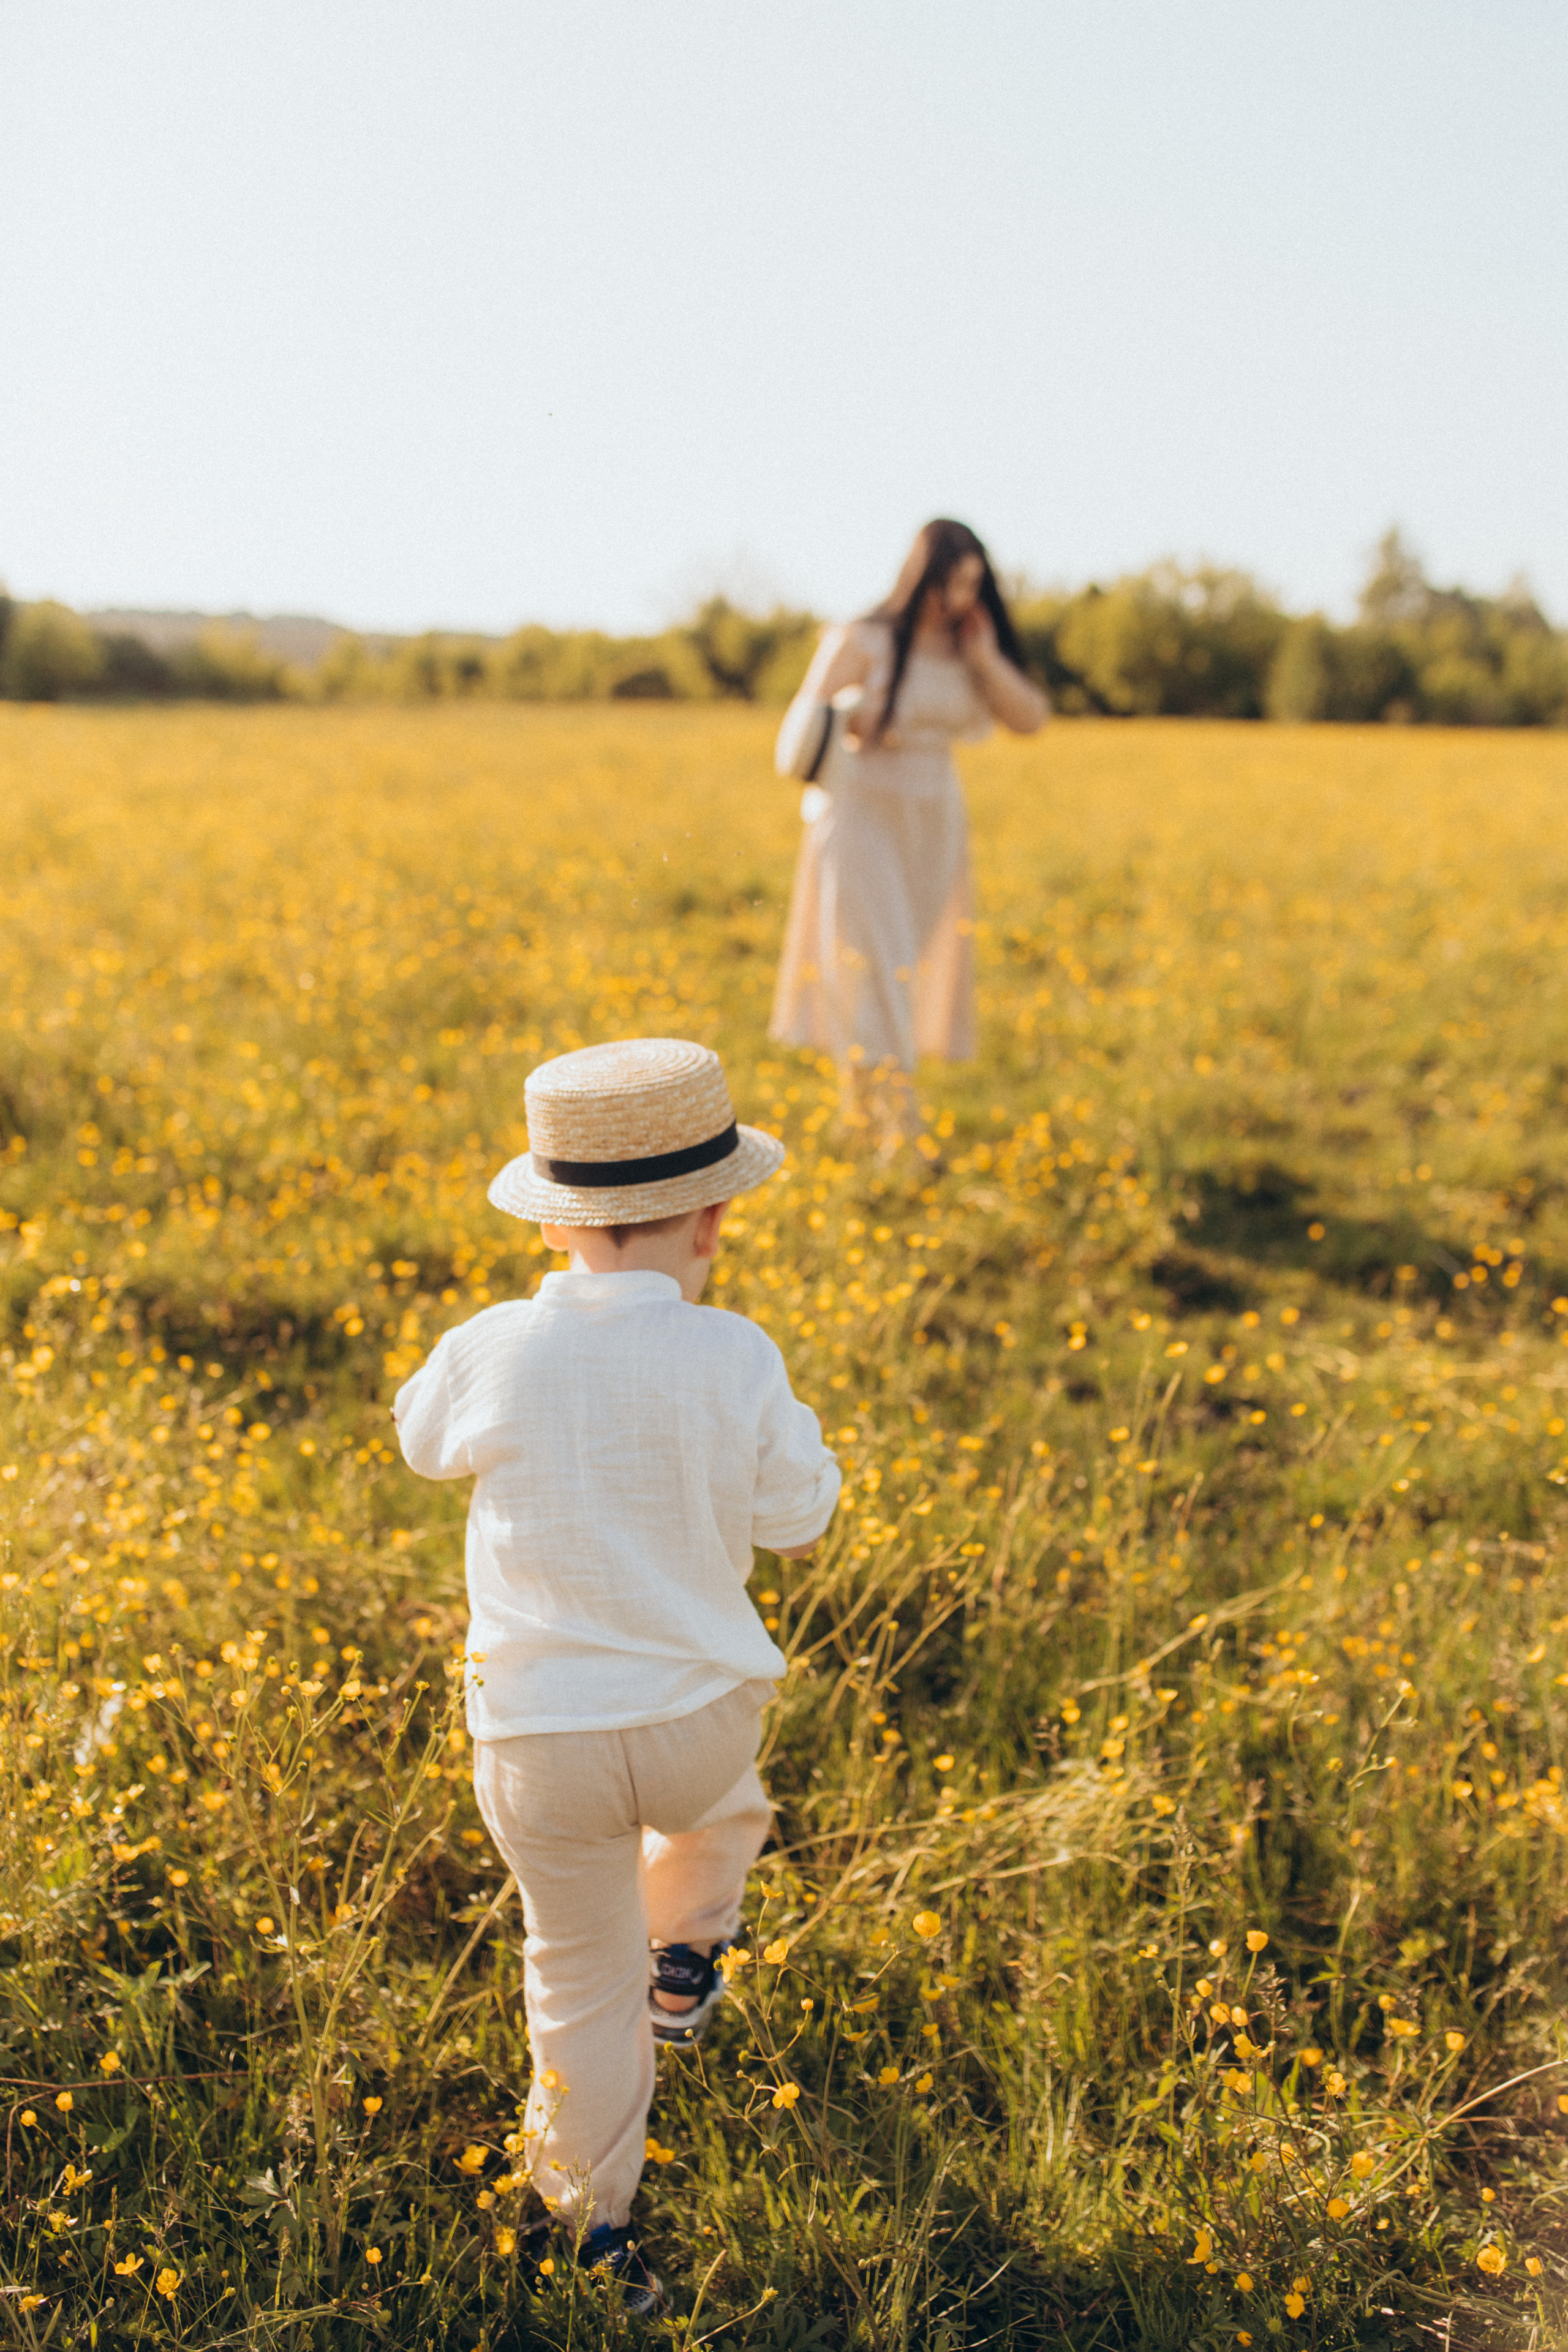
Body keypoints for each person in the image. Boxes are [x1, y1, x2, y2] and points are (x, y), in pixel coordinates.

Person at [392, 1036, 840, 2313]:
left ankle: (593, 2230)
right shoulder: (733, 1352)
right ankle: (686, 1959)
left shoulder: (490, 1346)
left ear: (551, 1225)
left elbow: (422, 1437)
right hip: (695, 1721)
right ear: (712, 1218)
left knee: (569, 1971)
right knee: (727, 1796)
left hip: (539, 1740)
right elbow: (797, 1522)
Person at [770, 519, 1049, 1152]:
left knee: (898, 966)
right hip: (861, 809)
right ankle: (902, 1124)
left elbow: (1030, 719)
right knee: (878, 960)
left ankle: (859, 1112)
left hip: (933, 820)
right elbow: (801, 723)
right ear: (919, 576)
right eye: (949, 583)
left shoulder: (969, 649)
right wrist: (852, 715)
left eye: (972, 584)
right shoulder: (861, 638)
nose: (958, 598)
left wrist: (982, 659)